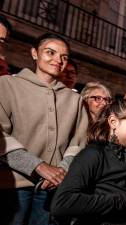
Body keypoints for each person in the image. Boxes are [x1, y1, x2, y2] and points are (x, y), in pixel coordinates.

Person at [0, 33, 88, 225]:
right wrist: (38, 166)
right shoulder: (7, 85)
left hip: (52, 188)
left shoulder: (75, 99)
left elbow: (78, 142)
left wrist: (61, 171)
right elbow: (1, 136)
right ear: (34, 53)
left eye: (64, 57)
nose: (58, 60)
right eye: (50, 52)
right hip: (13, 184)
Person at [51, 99, 126, 225]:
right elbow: (62, 203)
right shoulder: (93, 154)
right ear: (113, 122)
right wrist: (125, 200)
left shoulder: (125, 157)